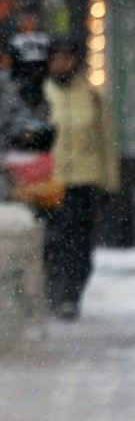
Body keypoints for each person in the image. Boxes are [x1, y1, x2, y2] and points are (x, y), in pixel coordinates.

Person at [41, 35, 118, 321]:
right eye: (56, 57)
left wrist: (109, 182)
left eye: (67, 57)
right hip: (51, 181)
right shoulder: (42, 94)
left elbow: (106, 142)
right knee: (52, 241)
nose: (62, 63)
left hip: (85, 179)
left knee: (79, 243)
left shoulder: (92, 95)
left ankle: (70, 296)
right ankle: (52, 293)